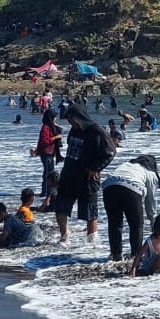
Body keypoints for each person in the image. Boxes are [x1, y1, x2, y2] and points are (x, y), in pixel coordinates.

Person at [54, 103, 115, 244]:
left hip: (87, 178)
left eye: (73, 121)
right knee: (61, 206)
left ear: (81, 117)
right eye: (69, 121)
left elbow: (110, 153)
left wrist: (96, 168)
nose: (72, 124)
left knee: (90, 211)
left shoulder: (96, 131)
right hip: (68, 174)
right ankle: (64, 237)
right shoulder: (74, 130)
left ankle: (91, 241)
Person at [101, 154, 160, 262]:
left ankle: (116, 255)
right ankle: (135, 257)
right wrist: (152, 220)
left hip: (109, 188)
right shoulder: (150, 172)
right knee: (136, 225)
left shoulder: (127, 164)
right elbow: (150, 199)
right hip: (131, 188)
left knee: (114, 224)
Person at [34, 111, 63, 209]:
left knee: (49, 173)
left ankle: (46, 193)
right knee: (49, 174)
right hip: (46, 153)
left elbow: (60, 130)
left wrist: (56, 126)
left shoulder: (50, 126)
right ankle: (46, 193)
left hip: (49, 153)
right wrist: (55, 137)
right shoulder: (45, 127)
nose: (55, 119)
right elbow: (44, 141)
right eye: (54, 117)